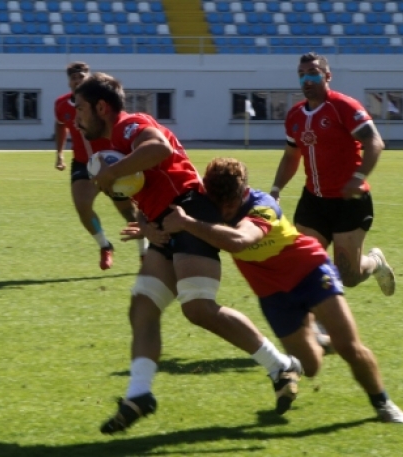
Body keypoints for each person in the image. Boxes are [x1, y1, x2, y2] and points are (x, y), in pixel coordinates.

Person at [73, 72, 299, 434]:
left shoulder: (129, 125)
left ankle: (280, 365)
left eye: (81, 108)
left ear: (102, 107)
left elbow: (159, 149)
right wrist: (147, 225)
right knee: (143, 304)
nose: (77, 117)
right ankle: (139, 394)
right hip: (167, 221)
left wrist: (112, 173)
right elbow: (150, 185)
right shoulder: (111, 141)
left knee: (198, 308)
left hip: (191, 211)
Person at [152, 157, 403, 423]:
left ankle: (383, 403)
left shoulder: (263, 206)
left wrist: (187, 224)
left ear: (243, 193)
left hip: (311, 273)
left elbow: (240, 241)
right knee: (310, 367)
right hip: (273, 296)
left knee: (349, 346)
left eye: (230, 205)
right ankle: (320, 340)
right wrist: (149, 228)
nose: (225, 211)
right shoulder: (206, 202)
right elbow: (162, 205)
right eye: (220, 206)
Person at [270, 52, 395, 297]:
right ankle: (318, 325)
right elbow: (290, 156)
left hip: (348, 202)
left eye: (313, 73)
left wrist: (358, 178)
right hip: (313, 201)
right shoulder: (295, 115)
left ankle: (375, 262)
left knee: (349, 276)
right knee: (303, 267)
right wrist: (275, 190)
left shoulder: (343, 107)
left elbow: (375, 143)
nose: (307, 79)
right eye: (302, 75)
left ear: (327, 76)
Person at [54, 61, 146, 270]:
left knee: (129, 212)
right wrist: (59, 154)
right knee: (82, 205)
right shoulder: (61, 105)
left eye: (81, 77)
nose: (77, 81)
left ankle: (144, 250)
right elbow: (60, 126)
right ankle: (105, 246)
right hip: (83, 163)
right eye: (73, 78)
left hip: (112, 160)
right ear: (69, 81)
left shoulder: (102, 103)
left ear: (89, 78)